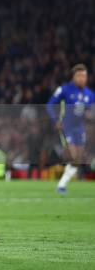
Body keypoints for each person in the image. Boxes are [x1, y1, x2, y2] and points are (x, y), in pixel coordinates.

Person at [47, 64, 94, 194]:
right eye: (79, 76)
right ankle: (58, 158)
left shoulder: (90, 94)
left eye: (84, 76)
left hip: (79, 128)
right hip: (66, 126)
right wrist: (55, 120)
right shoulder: (64, 90)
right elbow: (50, 105)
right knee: (73, 155)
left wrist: (90, 115)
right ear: (73, 77)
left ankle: (61, 185)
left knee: (77, 159)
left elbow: (90, 111)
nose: (82, 78)